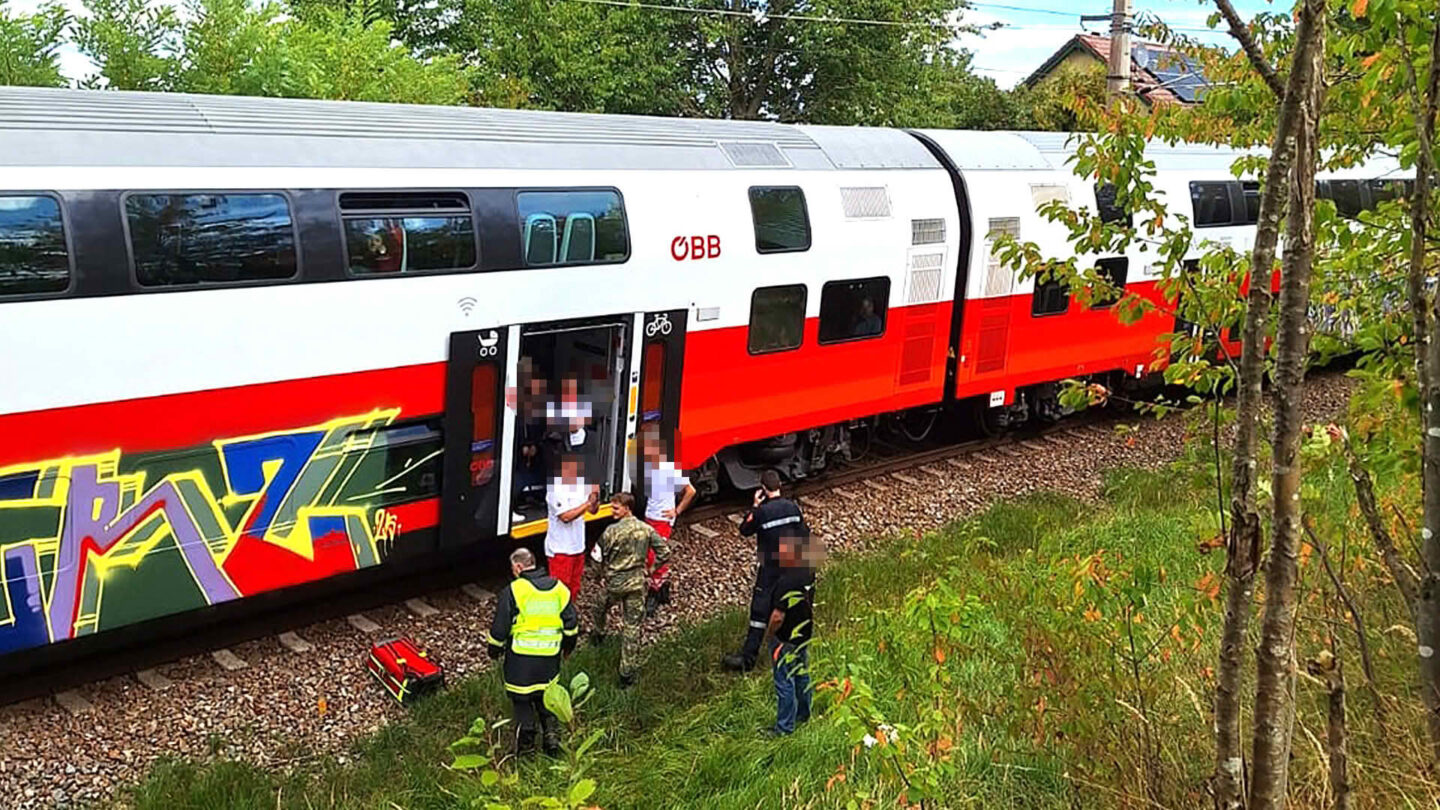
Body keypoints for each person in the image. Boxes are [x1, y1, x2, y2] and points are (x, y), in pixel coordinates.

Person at [487, 547, 580, 756]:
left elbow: (500, 628)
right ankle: (552, 739)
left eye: (513, 568)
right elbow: (571, 624)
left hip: (521, 660)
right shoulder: (559, 589)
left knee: (522, 702)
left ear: (519, 567)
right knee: (546, 697)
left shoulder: (514, 590)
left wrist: (494, 650)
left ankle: (526, 748)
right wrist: (568, 647)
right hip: (549, 658)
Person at [723, 469, 807, 672]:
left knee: (759, 613)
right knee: (785, 607)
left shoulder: (761, 513)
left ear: (762, 489)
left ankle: (748, 659)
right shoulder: (793, 508)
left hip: (769, 569)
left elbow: (744, 529)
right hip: (790, 567)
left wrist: (754, 505)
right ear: (779, 486)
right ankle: (786, 651)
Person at [589, 492, 671, 688]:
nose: (612, 511)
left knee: (599, 606)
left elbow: (596, 559)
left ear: (627, 508)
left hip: (615, 584)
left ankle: (599, 634)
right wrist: (651, 570)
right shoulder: (646, 529)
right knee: (632, 627)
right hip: (637, 585)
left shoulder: (610, 531)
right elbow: (665, 552)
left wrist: (599, 576)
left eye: (616, 508)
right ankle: (626, 673)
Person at [765, 526, 817, 737]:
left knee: (784, 680)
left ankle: (784, 728)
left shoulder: (786, 582)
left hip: (785, 638)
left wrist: (770, 635)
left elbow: (778, 616)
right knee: (802, 673)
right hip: (803, 633)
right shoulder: (808, 571)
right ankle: (804, 714)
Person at [640, 426, 696, 617]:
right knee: (651, 555)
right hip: (651, 516)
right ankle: (662, 588)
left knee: (655, 557)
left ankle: (655, 593)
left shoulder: (669, 468)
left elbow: (690, 491)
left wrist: (676, 511)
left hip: (662, 519)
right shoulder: (651, 466)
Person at [546, 454, 598, 598]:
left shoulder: (580, 485)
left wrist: (595, 497)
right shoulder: (555, 489)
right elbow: (566, 517)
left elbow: (594, 511)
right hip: (560, 549)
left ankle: (569, 617)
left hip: (578, 547)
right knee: (559, 590)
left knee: (574, 587)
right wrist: (587, 504)